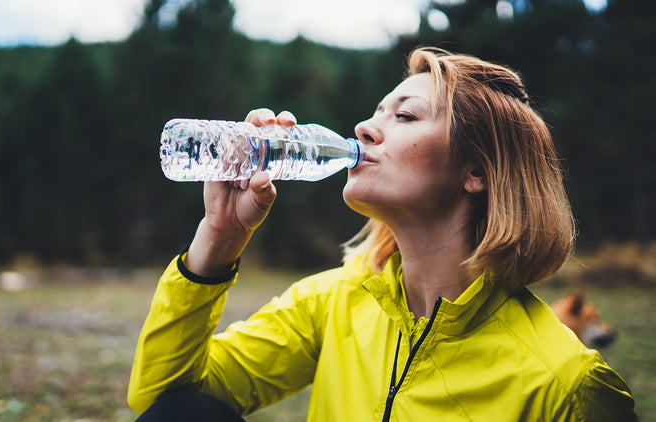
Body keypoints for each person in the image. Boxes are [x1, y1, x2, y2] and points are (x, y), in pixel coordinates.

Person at [128, 47, 636, 421]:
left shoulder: (566, 387)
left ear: (476, 172)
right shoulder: (336, 301)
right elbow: (165, 401)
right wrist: (218, 239)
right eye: (374, 114)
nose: (364, 129)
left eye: (406, 116)